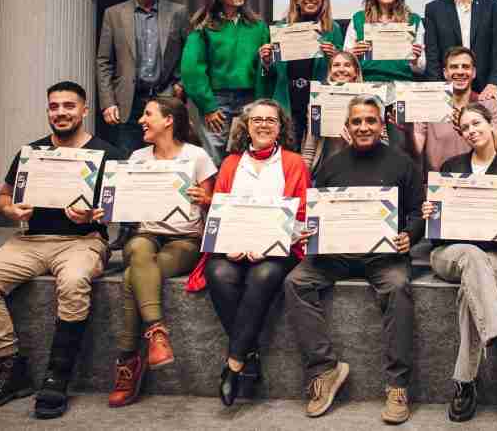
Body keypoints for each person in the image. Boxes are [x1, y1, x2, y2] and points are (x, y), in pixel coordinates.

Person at [0, 81, 126, 419]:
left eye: (69, 105)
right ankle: (11, 368)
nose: (61, 112)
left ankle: (57, 376)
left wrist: (99, 214)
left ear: (84, 110)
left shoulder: (108, 154)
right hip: (30, 241)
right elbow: (4, 197)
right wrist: (10, 211)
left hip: (82, 242)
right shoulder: (30, 153)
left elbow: (124, 209)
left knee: (73, 282)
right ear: (48, 111)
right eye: (54, 106)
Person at [284, 95, 425, 424]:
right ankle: (324, 369)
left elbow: (418, 210)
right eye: (357, 121)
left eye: (371, 120)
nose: (364, 127)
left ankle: (397, 385)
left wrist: (411, 234)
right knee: (295, 282)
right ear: (347, 127)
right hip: (338, 253)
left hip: (384, 254)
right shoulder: (332, 165)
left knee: (398, 287)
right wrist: (311, 232)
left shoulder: (403, 163)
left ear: (381, 124)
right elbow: (319, 212)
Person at [184, 100, 311, 406]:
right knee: (218, 272)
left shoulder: (294, 163)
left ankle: (235, 364)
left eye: (271, 120)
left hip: (280, 247)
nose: (264, 125)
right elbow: (220, 211)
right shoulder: (231, 163)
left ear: (280, 127)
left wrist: (266, 244)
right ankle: (249, 354)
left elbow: (302, 215)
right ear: (246, 126)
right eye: (257, 120)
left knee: (263, 273)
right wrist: (231, 243)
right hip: (234, 244)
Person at [420, 103, 497, 422]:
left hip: (492, 256)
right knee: (470, 255)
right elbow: (436, 235)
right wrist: (432, 215)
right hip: (448, 254)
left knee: (471, 292)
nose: (472, 131)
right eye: (465, 127)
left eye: (476, 124)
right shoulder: (450, 167)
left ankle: (465, 383)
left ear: (490, 124)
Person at [108, 96, 217, 408]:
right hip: (146, 234)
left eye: (148, 114)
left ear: (168, 120)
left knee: (133, 274)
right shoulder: (138, 156)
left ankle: (128, 360)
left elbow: (214, 202)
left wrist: (204, 199)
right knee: (139, 247)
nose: (142, 120)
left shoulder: (197, 157)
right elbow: (124, 204)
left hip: (185, 240)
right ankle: (157, 333)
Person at [96, 0, 191, 250]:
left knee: (166, 164)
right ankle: (127, 229)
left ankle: (166, 229)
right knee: (127, 165)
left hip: (164, 100)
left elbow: (190, 55)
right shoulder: (114, 14)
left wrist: (180, 86)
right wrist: (108, 101)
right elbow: (104, 61)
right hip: (128, 101)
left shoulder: (177, 12)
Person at [181, 0, 270, 165]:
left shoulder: (258, 26)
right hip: (217, 101)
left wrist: (267, 63)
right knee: (215, 158)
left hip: (250, 100)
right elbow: (191, 69)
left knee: (248, 157)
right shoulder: (203, 26)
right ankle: (214, 195)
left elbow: (265, 71)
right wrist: (208, 106)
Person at [260, 0, 345, 149]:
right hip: (288, 100)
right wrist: (267, 61)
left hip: (318, 101)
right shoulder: (282, 28)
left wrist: (334, 56)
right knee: (287, 154)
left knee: (315, 157)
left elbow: (342, 72)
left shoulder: (332, 28)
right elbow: (273, 73)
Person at [413, 46, 497, 172]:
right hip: (439, 182)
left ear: (474, 72)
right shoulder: (428, 104)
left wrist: (467, 129)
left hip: (479, 180)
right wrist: (406, 132)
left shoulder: (488, 104)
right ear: (445, 73)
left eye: (465, 67)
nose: (460, 72)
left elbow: (496, 149)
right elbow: (415, 149)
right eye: (454, 67)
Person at [343, 0, 426, 81]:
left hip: (403, 87)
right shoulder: (358, 19)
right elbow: (344, 63)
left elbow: (421, 69)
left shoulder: (414, 20)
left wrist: (415, 60)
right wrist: (352, 54)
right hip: (366, 86)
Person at [300, 50, 372, 175]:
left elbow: (383, 143)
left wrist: (359, 145)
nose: (341, 69)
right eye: (336, 65)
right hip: (326, 170)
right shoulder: (318, 100)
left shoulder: (370, 100)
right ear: (330, 72)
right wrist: (303, 178)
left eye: (347, 65)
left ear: (356, 72)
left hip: (362, 168)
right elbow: (310, 148)